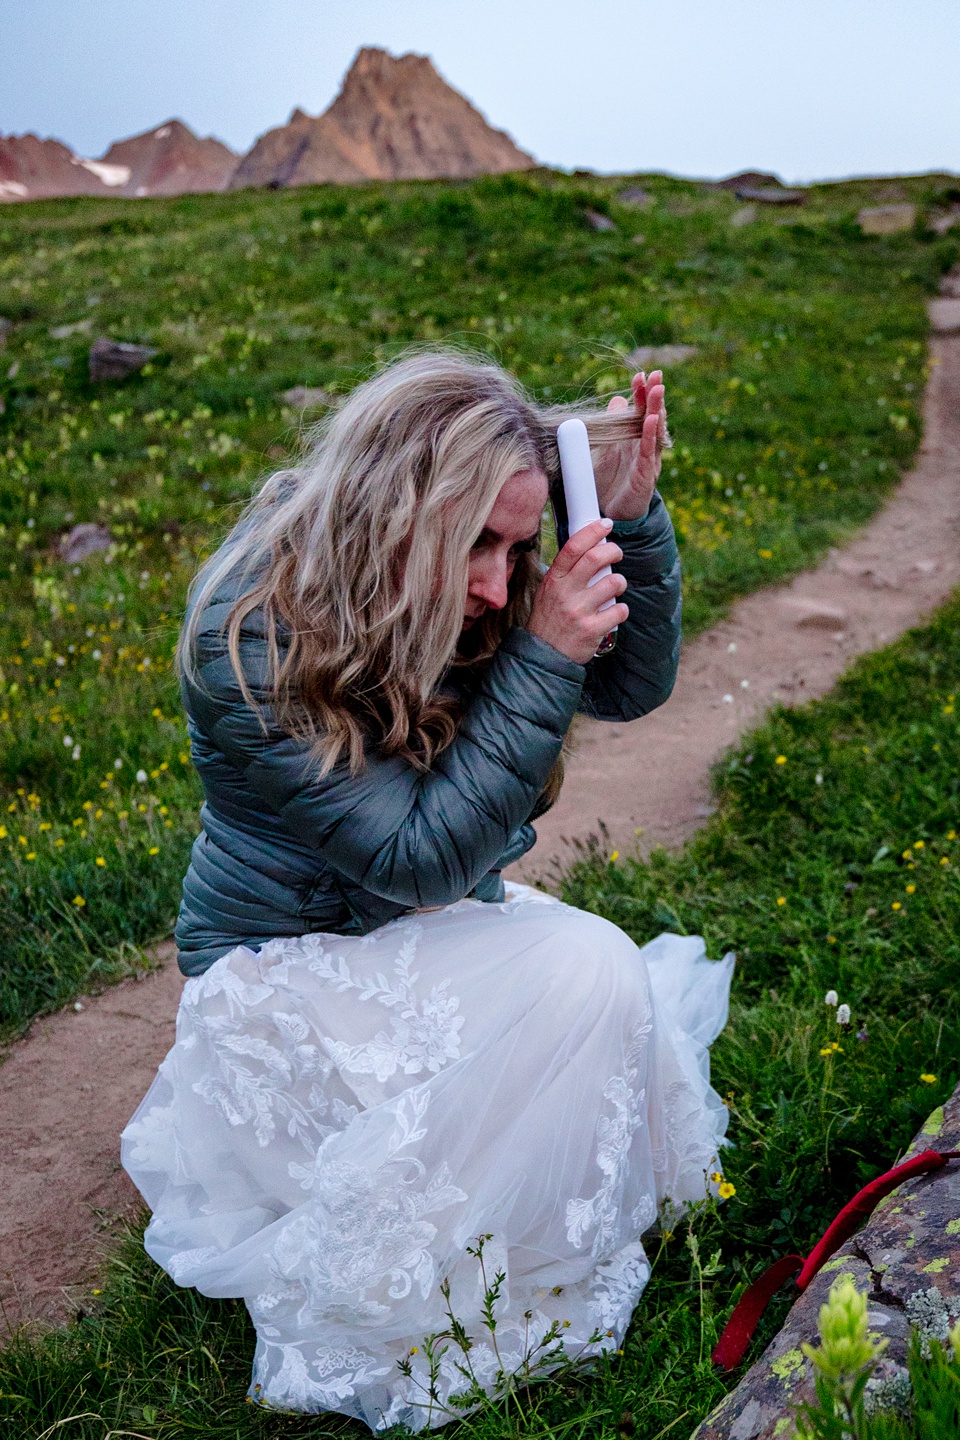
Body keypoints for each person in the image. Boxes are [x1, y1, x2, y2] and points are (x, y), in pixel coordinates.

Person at [121, 349, 733, 1432]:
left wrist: (628, 521)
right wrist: (544, 653)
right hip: (288, 966)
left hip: (423, 921)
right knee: (588, 966)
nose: (500, 585)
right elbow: (414, 859)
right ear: (396, 512)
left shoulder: (475, 579)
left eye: (520, 547)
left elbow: (631, 686)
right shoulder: (249, 628)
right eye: (479, 545)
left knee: (598, 985)